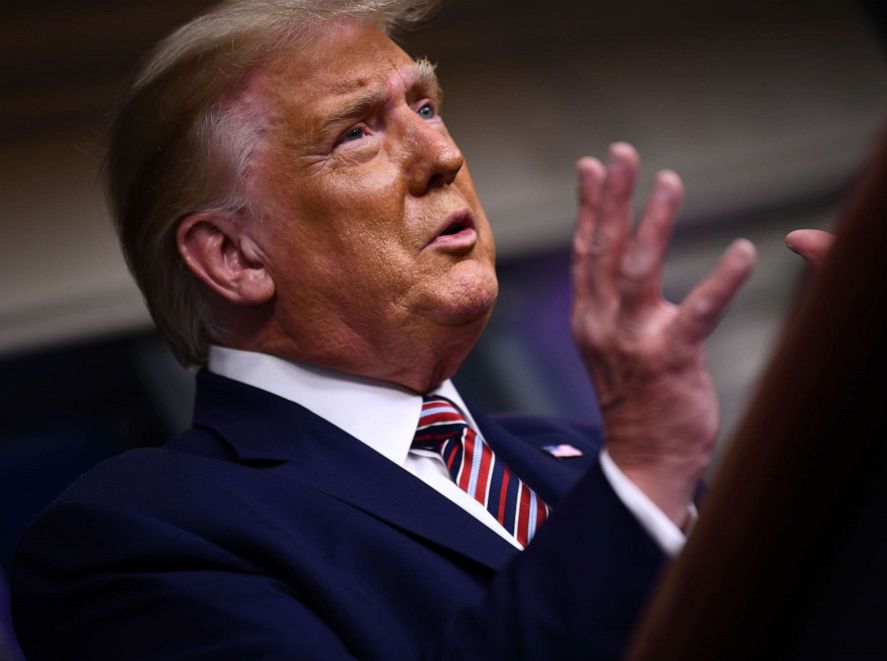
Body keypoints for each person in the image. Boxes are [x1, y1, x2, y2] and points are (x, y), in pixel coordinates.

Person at [11, 1, 828, 658]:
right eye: (357, 131)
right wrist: (643, 473)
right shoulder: (135, 538)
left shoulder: (574, 455)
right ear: (233, 256)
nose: (439, 151)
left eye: (427, 105)